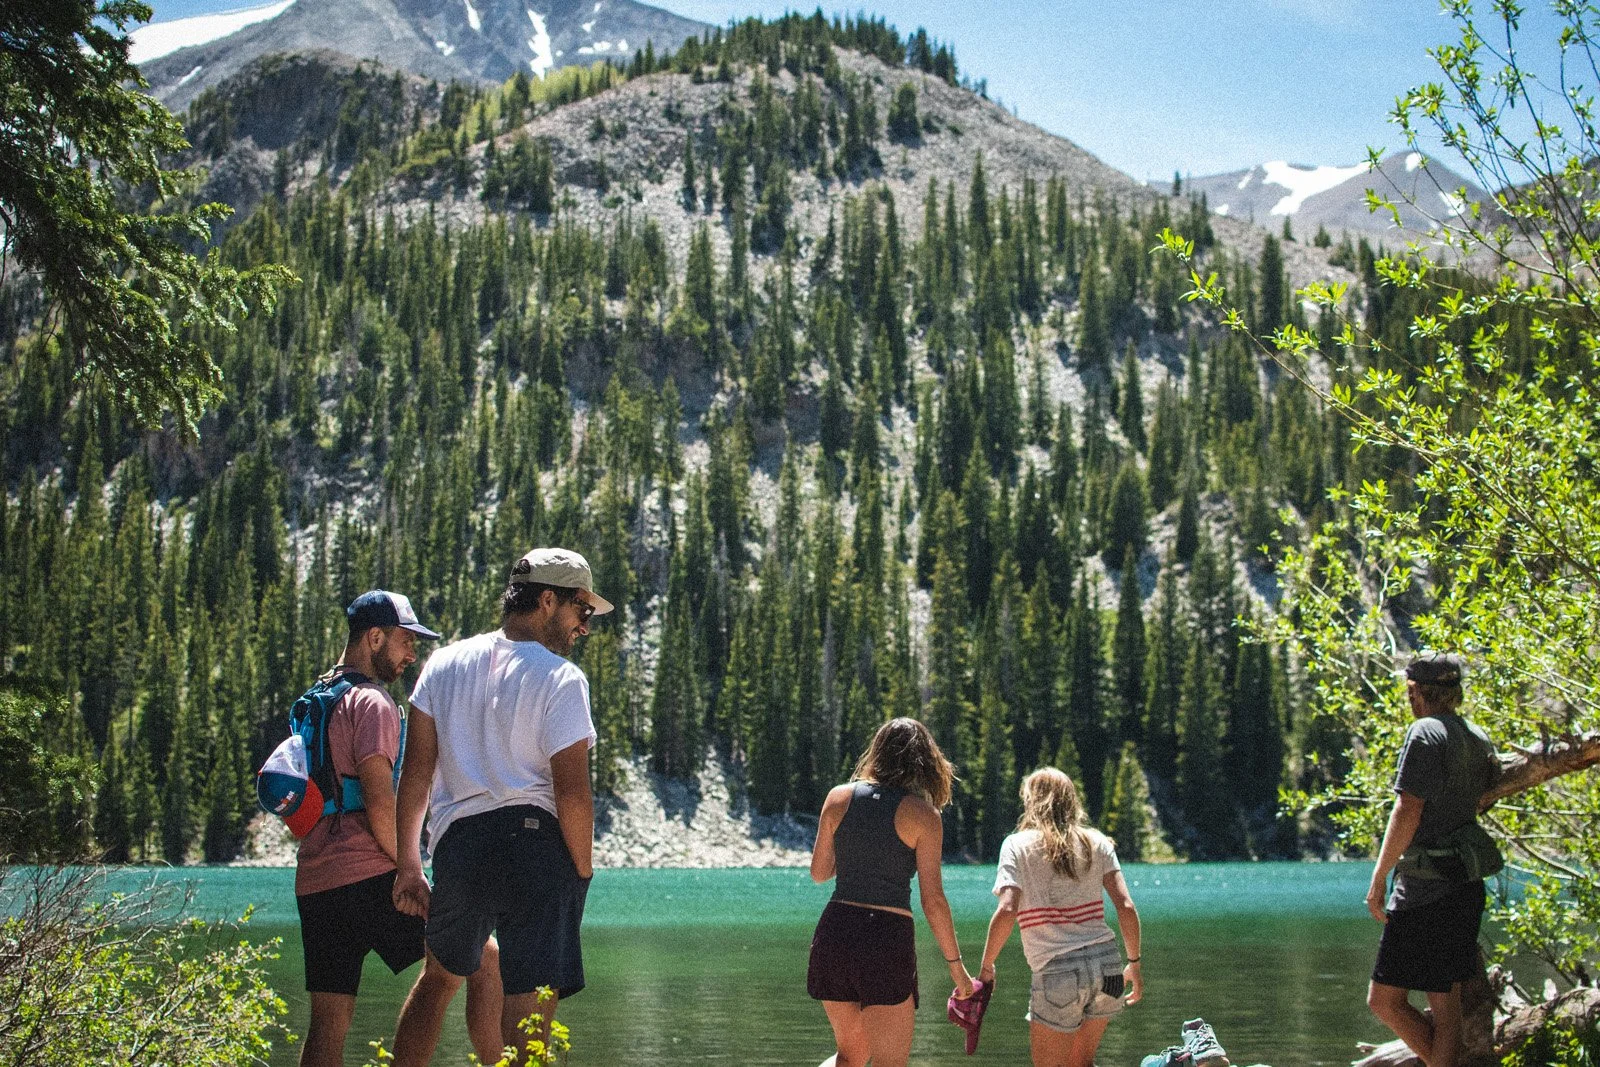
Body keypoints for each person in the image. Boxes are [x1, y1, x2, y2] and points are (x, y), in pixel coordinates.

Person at [390, 549, 612, 1067]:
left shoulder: (442, 665)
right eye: (581, 610)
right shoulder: (561, 678)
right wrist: (582, 870)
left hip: (460, 847)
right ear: (548, 600)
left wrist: (409, 866)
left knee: (438, 978)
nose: (584, 626)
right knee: (528, 999)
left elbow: (415, 775)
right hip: (536, 845)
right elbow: (573, 794)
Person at [293, 590, 503, 1067]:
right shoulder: (372, 703)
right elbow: (379, 798)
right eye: (406, 641)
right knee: (482, 955)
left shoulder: (314, 701)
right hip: (372, 875)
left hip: (316, 878)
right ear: (375, 638)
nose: (412, 654)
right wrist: (410, 870)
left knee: (328, 1021)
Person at [807, 717, 975, 1067]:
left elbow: (819, 873)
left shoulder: (838, 797)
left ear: (877, 753)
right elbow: (933, 901)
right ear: (925, 762)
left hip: (835, 934)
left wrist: (856, 847)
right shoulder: (924, 816)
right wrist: (956, 968)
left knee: (850, 1056)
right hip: (884, 939)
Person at [1365, 652, 1500, 1067]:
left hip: (1426, 888)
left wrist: (1379, 878)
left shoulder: (1424, 731)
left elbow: (1408, 808)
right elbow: (1483, 796)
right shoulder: (1476, 737)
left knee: (1384, 1000)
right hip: (1465, 885)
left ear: (1416, 692)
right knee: (1446, 1002)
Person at [976, 767, 1143, 1067]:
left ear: (1031, 801)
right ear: (1072, 801)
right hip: (1108, 967)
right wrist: (1135, 964)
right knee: (1082, 1062)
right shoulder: (1097, 842)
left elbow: (1008, 909)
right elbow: (1126, 907)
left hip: (1058, 972)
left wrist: (986, 966)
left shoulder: (1016, 845)